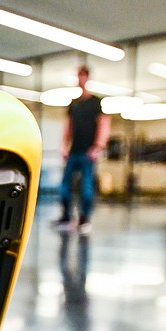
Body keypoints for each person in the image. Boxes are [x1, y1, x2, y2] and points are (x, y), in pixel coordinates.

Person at [55, 66, 110, 233]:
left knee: (86, 188)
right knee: (64, 188)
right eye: (79, 76)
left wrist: (98, 147)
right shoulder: (74, 104)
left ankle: (84, 219)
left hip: (88, 153)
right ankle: (66, 217)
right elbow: (68, 127)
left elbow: (104, 124)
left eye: (83, 76)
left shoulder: (96, 102)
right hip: (74, 152)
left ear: (87, 78)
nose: (81, 79)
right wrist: (63, 146)